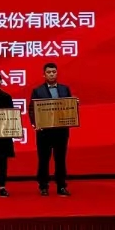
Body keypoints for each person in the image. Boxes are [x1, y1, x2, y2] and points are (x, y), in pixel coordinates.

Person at [29, 62, 73, 197]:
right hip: (44, 132)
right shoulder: (37, 91)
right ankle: (43, 186)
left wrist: (73, 113)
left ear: (57, 73)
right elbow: (32, 110)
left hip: (61, 131)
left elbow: (70, 106)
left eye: (54, 72)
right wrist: (35, 124)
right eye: (49, 72)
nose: (52, 74)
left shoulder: (65, 89)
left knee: (60, 159)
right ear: (44, 74)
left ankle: (61, 186)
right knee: (43, 159)